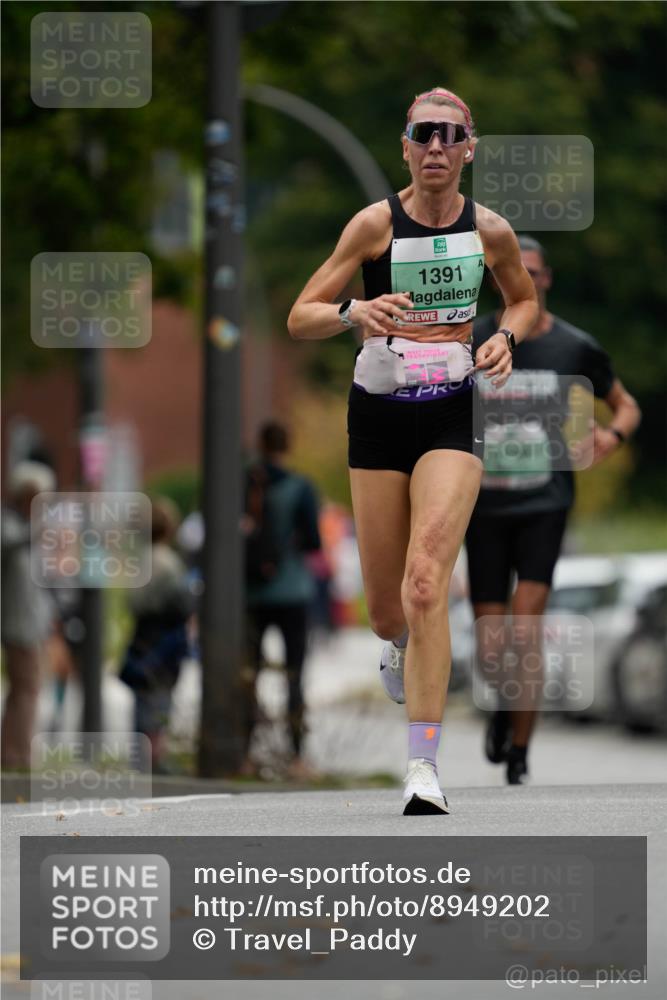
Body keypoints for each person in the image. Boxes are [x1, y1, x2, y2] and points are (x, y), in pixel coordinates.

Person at [288, 87, 538, 814]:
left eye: (448, 136)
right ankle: (397, 643)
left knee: (426, 582)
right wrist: (353, 311)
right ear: (404, 148)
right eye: (423, 134)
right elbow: (300, 315)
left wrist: (505, 336)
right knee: (387, 611)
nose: (435, 146)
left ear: (468, 149)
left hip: (452, 413)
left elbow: (522, 299)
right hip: (378, 416)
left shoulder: (489, 230)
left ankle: (422, 768)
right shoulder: (374, 224)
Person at [467, 235, 641, 784]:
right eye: (514, 271)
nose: (526, 280)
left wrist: (611, 435)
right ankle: (504, 704)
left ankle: (520, 751)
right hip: (482, 507)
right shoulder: (470, 338)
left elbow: (627, 406)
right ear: (498, 279)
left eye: (535, 272)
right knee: (491, 648)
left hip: (544, 503)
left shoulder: (574, 346)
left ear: (546, 280)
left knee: (525, 631)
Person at [242, 421, 321, 780]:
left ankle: (245, 754)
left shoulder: (246, 483)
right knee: (295, 675)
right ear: (287, 446)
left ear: (260, 445)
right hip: (292, 591)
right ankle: (296, 757)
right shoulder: (300, 487)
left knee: (249, 674)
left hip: (252, 593)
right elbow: (313, 541)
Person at [120, 497, 194, 772]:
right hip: (163, 637)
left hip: (142, 634)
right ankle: (153, 756)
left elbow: (133, 602)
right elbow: (183, 603)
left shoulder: (140, 560)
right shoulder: (169, 562)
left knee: (143, 696)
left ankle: (141, 756)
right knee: (159, 696)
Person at [1, 461, 58, 768]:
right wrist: (41, 524)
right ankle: (18, 754)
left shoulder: (25, 530)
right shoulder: (10, 525)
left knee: (24, 689)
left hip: (33, 624)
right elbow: (12, 542)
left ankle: (12, 751)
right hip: (17, 625)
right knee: (27, 689)